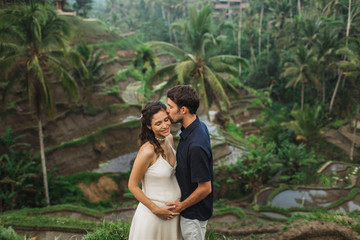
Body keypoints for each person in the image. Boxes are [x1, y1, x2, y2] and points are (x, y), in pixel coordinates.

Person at [128, 101, 182, 240]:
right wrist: (156, 209)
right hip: (153, 217)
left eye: (166, 119)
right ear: (149, 126)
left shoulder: (169, 139)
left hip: (173, 216)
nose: (165, 126)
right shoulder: (147, 151)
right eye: (158, 123)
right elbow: (132, 185)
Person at [166, 85, 213, 240]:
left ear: (183, 110)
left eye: (170, 107)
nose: (167, 110)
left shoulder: (196, 145)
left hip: (192, 216)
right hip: (192, 212)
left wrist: (181, 206)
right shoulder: (197, 127)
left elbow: (205, 188)